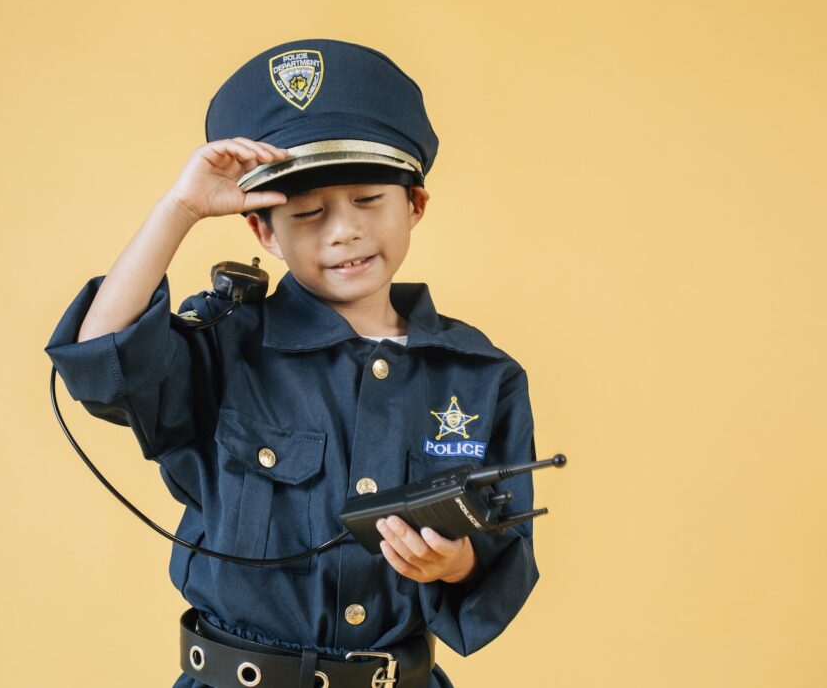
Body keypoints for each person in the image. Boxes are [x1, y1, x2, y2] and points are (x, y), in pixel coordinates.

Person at [45, 38, 540, 688]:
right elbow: (99, 360)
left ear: (414, 204)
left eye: (368, 199)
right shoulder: (223, 346)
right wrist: (181, 209)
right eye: (307, 213)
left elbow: (503, 553)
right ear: (263, 232)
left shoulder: (480, 376)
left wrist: (452, 562)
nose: (343, 231)